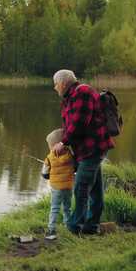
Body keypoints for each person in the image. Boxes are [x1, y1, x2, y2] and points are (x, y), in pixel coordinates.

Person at [51, 70, 115, 234]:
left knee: (81, 187)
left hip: (93, 148)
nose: (55, 87)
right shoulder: (70, 97)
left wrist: (63, 143)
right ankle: (91, 226)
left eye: (56, 84)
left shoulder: (82, 93)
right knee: (95, 189)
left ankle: (74, 227)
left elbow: (79, 123)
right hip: (86, 149)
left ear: (64, 83)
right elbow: (71, 124)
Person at [41, 128, 75, 240]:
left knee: (54, 208)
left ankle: (51, 230)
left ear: (54, 145)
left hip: (56, 188)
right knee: (67, 208)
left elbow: (45, 174)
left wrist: (49, 172)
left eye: (50, 145)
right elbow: (75, 168)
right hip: (68, 186)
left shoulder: (49, 157)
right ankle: (68, 227)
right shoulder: (70, 155)